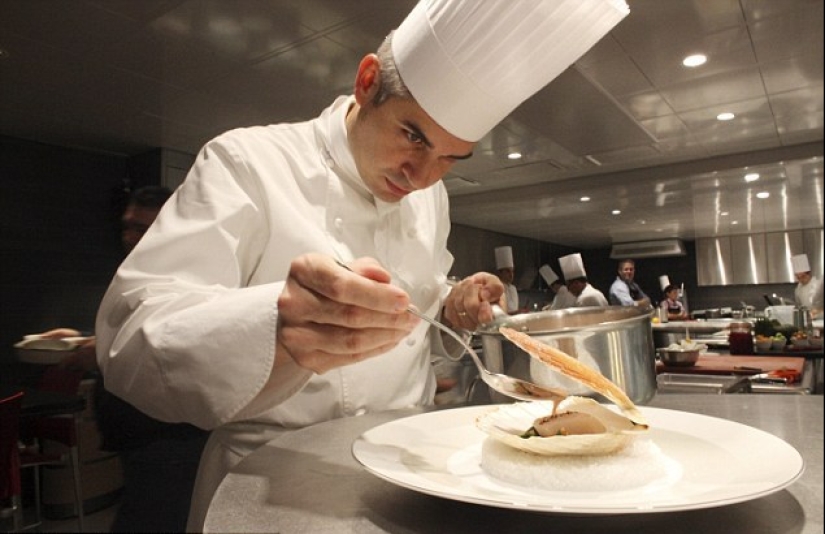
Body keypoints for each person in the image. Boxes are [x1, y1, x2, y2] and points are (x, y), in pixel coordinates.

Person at [92, 1, 630, 530]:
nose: (420, 175)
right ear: (367, 81)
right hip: (271, 479)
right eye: (413, 136)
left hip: (412, 471)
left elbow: (422, 301)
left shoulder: (429, 198)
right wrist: (274, 326)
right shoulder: (247, 163)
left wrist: (452, 303)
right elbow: (130, 337)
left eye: (449, 157)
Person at [35, 186, 210, 533]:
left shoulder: (190, 278)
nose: (130, 237)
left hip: (169, 437)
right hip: (140, 437)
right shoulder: (144, 273)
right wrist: (79, 341)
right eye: (127, 227)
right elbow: (140, 335)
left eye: (142, 228)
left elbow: (178, 348)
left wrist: (98, 354)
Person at [791, 253, 824, 318]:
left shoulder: (818, 285)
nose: (801, 280)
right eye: (798, 277)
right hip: (807, 320)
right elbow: (799, 306)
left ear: (808, 273)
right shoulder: (798, 289)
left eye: (803, 277)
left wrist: (818, 312)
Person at [495, 246, 519, 314]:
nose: (511, 275)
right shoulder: (496, 288)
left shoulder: (513, 288)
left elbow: (514, 309)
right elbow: (498, 314)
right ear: (500, 273)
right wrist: (517, 312)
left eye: (512, 271)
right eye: (508, 271)